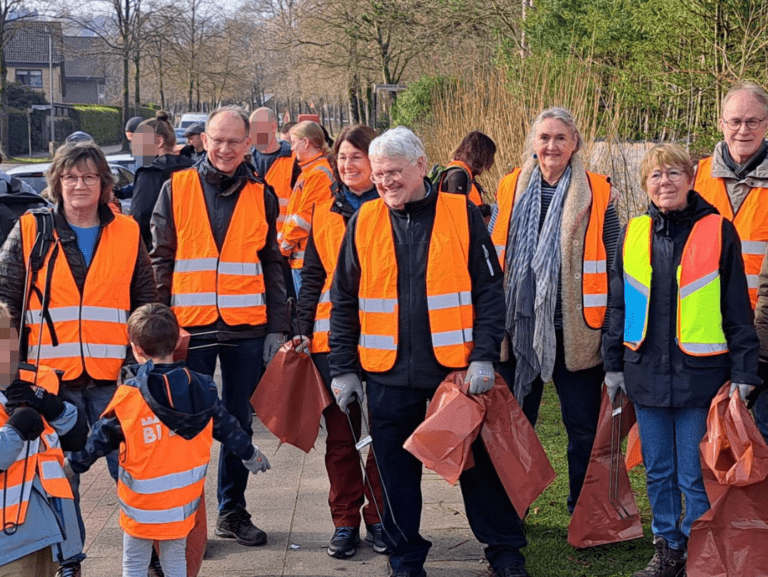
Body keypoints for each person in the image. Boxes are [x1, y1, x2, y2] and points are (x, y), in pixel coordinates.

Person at [328, 126, 529, 577]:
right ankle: (405, 560)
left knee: (478, 468)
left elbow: (489, 291)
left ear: (421, 165)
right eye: (379, 174)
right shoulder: (364, 220)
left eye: (394, 172)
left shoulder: (462, 213)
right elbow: (343, 300)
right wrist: (342, 368)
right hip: (387, 374)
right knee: (395, 475)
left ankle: (504, 551)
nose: (385, 182)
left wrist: (483, 355)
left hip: (454, 373)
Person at [0, 141, 158, 575]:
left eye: (89, 177)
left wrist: (145, 365)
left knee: (133, 472)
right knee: (58, 482)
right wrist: (10, 373)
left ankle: (149, 556)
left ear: (104, 184)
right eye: (70, 177)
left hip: (115, 380)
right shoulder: (31, 230)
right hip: (49, 382)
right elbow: (6, 302)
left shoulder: (127, 231)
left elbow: (145, 300)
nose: (79, 185)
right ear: (57, 183)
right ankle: (68, 561)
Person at [603, 143, 760, 577]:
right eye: (655, 175)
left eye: (673, 173)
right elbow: (618, 305)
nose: (664, 182)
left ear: (691, 179)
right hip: (645, 374)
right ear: (645, 184)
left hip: (700, 377)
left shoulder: (718, 230)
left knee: (693, 474)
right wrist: (612, 365)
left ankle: (698, 550)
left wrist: (744, 372)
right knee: (658, 471)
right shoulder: (633, 233)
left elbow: (737, 308)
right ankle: (668, 548)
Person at [150, 106, 288, 547]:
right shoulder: (176, 188)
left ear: (248, 144)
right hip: (189, 330)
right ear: (204, 140)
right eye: (218, 140)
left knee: (238, 422)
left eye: (234, 141)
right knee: (186, 423)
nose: (225, 149)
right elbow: (161, 260)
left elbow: (273, 262)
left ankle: (232, 511)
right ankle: (188, 521)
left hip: (246, 328)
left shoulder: (262, 194)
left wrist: (277, 326)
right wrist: (158, 329)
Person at [65, 303, 271, 577]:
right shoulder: (202, 388)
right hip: (182, 503)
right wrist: (250, 454)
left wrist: (71, 466)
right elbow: (228, 427)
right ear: (177, 343)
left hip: (140, 506)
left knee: (134, 563)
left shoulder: (129, 397)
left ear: (136, 349)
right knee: (175, 559)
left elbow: (99, 440)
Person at [490, 107, 620, 514]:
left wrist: (611, 330)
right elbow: (493, 256)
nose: (551, 146)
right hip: (520, 327)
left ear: (575, 143)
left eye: (560, 137)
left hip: (577, 331)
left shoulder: (598, 191)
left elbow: (614, 264)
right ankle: (513, 509)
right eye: (544, 137)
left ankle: (583, 509)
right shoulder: (510, 186)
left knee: (583, 428)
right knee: (515, 425)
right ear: (534, 142)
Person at [293, 124, 386, 559]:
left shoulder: (391, 205)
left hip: (386, 339)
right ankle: (345, 521)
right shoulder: (325, 210)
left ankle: (381, 519)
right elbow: (313, 275)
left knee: (384, 436)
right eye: (342, 158)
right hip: (331, 342)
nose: (348, 165)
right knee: (342, 438)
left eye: (357, 157)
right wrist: (301, 326)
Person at [696, 81, 768, 445]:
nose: (743, 130)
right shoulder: (693, 178)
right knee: (712, 437)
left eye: (753, 121)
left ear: (766, 124)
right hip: (707, 331)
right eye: (735, 121)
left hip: (765, 333)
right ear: (721, 123)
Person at [0, 301, 88, 577]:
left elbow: (77, 438)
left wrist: (49, 404)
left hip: (55, 534)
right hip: (9, 545)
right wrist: (16, 430)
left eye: (8, 334)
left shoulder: (39, 379)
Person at [279, 120, 337, 295]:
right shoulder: (311, 172)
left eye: (294, 142)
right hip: (303, 257)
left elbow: (304, 219)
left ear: (306, 142)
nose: (292, 148)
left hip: (307, 259)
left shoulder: (317, 174)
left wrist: (283, 247)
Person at [130, 111, 195, 250]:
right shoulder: (195, 169)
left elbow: (140, 217)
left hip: (160, 251)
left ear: (159, 142)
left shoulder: (150, 174)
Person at [248, 108, 300, 235]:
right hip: (253, 237)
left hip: (283, 238)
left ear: (273, 127)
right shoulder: (246, 160)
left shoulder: (294, 160)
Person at [437, 130, 495, 212]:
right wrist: (488, 209)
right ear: (480, 156)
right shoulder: (457, 176)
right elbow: (457, 213)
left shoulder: (465, 175)